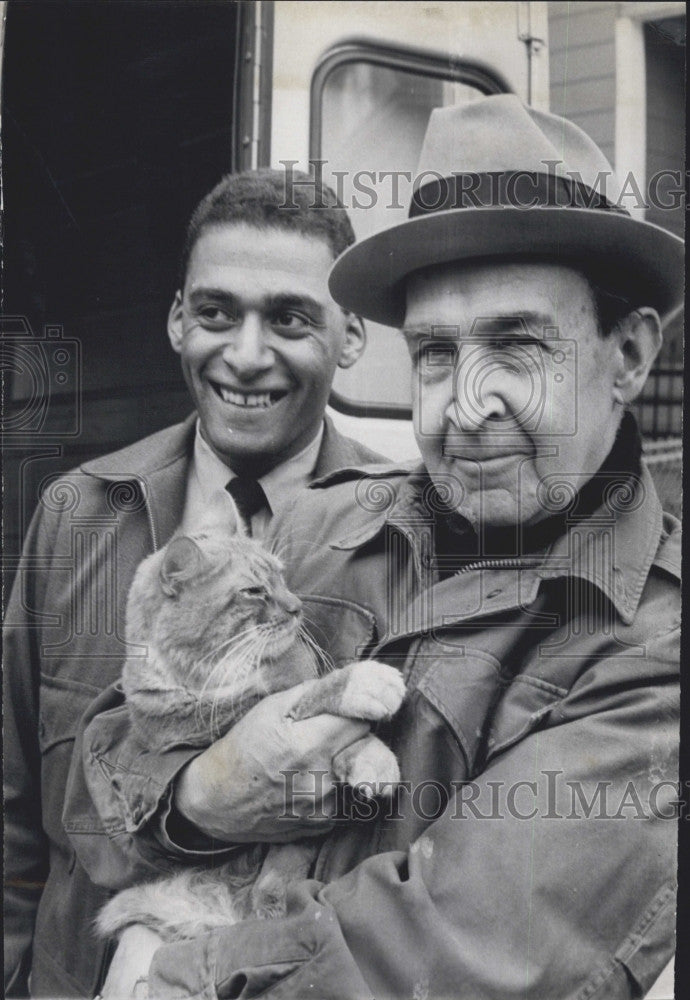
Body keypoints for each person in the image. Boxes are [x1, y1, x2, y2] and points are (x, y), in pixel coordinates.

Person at [78, 97, 683, 998]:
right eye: (435, 354)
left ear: (628, 355)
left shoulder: (651, 652)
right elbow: (117, 737)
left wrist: (169, 968)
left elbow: (453, 952)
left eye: (516, 346)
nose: (464, 406)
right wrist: (202, 797)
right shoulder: (323, 524)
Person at [3, 168, 391, 997]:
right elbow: (10, 823)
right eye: (216, 312)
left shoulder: (405, 530)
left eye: (290, 318)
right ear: (179, 320)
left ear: (351, 337)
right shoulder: (75, 514)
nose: (246, 356)